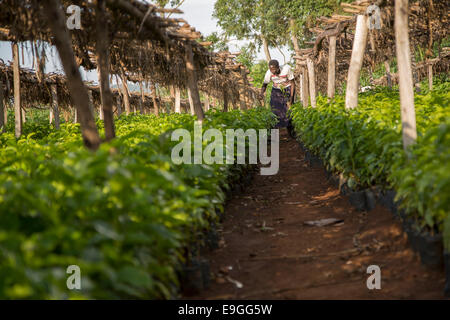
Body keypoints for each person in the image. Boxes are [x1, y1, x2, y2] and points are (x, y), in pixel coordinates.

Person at [260, 60, 295, 133]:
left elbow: (292, 83)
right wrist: (261, 93)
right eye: (271, 69)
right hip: (276, 91)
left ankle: (291, 132)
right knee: (275, 111)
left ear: (278, 67)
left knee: (288, 110)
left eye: (274, 69)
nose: (273, 71)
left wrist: (291, 97)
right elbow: (265, 84)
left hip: (287, 89)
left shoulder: (286, 69)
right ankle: (275, 133)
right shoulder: (269, 73)